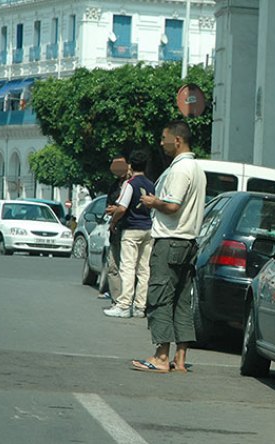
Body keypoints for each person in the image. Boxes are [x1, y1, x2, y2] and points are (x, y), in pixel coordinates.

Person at [130, 120, 206, 374]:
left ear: (177, 140)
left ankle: (161, 356)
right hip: (188, 242)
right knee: (182, 301)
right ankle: (180, 359)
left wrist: (153, 202)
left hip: (170, 240)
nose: (161, 143)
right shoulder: (197, 169)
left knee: (160, 297)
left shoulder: (180, 170)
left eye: (164, 138)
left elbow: (173, 206)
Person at [103, 150, 156, 318]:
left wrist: (113, 222)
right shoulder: (151, 184)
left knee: (127, 268)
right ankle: (140, 306)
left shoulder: (130, 184)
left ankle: (124, 305)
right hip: (147, 229)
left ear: (130, 166)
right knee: (144, 269)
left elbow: (122, 208)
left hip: (131, 228)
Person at [98, 155, 130, 300]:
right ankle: (116, 299)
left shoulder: (133, 184)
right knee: (113, 267)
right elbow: (109, 205)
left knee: (128, 268)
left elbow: (131, 208)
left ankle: (127, 300)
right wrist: (112, 211)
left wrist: (117, 210)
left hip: (129, 230)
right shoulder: (114, 186)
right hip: (115, 231)